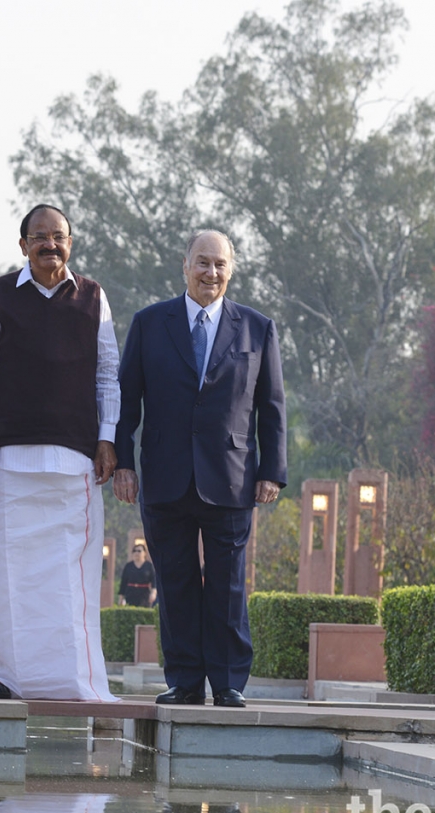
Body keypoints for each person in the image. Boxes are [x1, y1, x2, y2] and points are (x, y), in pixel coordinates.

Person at [114, 230, 288, 708]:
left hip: (231, 478)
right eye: (202, 263)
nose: (211, 273)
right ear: (185, 265)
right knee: (175, 583)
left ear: (231, 270)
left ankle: (228, 680)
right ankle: (185, 680)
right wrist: (122, 464)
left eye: (220, 265)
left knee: (228, 586)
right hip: (165, 476)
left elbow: (271, 406)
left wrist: (271, 470)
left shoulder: (257, 328)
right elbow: (126, 401)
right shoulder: (150, 324)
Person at [0, 204, 119, 702]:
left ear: (70, 241)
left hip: (75, 459)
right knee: (12, 574)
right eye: (39, 237)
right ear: (23, 244)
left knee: (70, 580)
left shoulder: (93, 297)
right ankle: (8, 676)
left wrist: (108, 438)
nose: (49, 245)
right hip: (10, 458)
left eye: (58, 236)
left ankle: (75, 678)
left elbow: (107, 375)